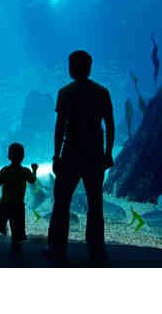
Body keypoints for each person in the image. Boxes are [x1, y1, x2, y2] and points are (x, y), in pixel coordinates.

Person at [44, 50, 115, 262]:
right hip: (95, 153)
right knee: (95, 203)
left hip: (71, 153)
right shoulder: (102, 92)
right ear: (89, 67)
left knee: (62, 202)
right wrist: (108, 153)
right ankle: (96, 251)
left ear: (72, 68)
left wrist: (56, 155)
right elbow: (110, 125)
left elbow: (59, 127)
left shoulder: (65, 92)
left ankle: (57, 249)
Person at [0, 142, 38, 251]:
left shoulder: (5, 169)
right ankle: (15, 243)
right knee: (17, 229)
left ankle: (0, 222)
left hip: (5, 203)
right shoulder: (25, 171)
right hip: (18, 205)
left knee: (2, 216)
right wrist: (34, 170)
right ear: (23, 157)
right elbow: (32, 180)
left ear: (9, 156)